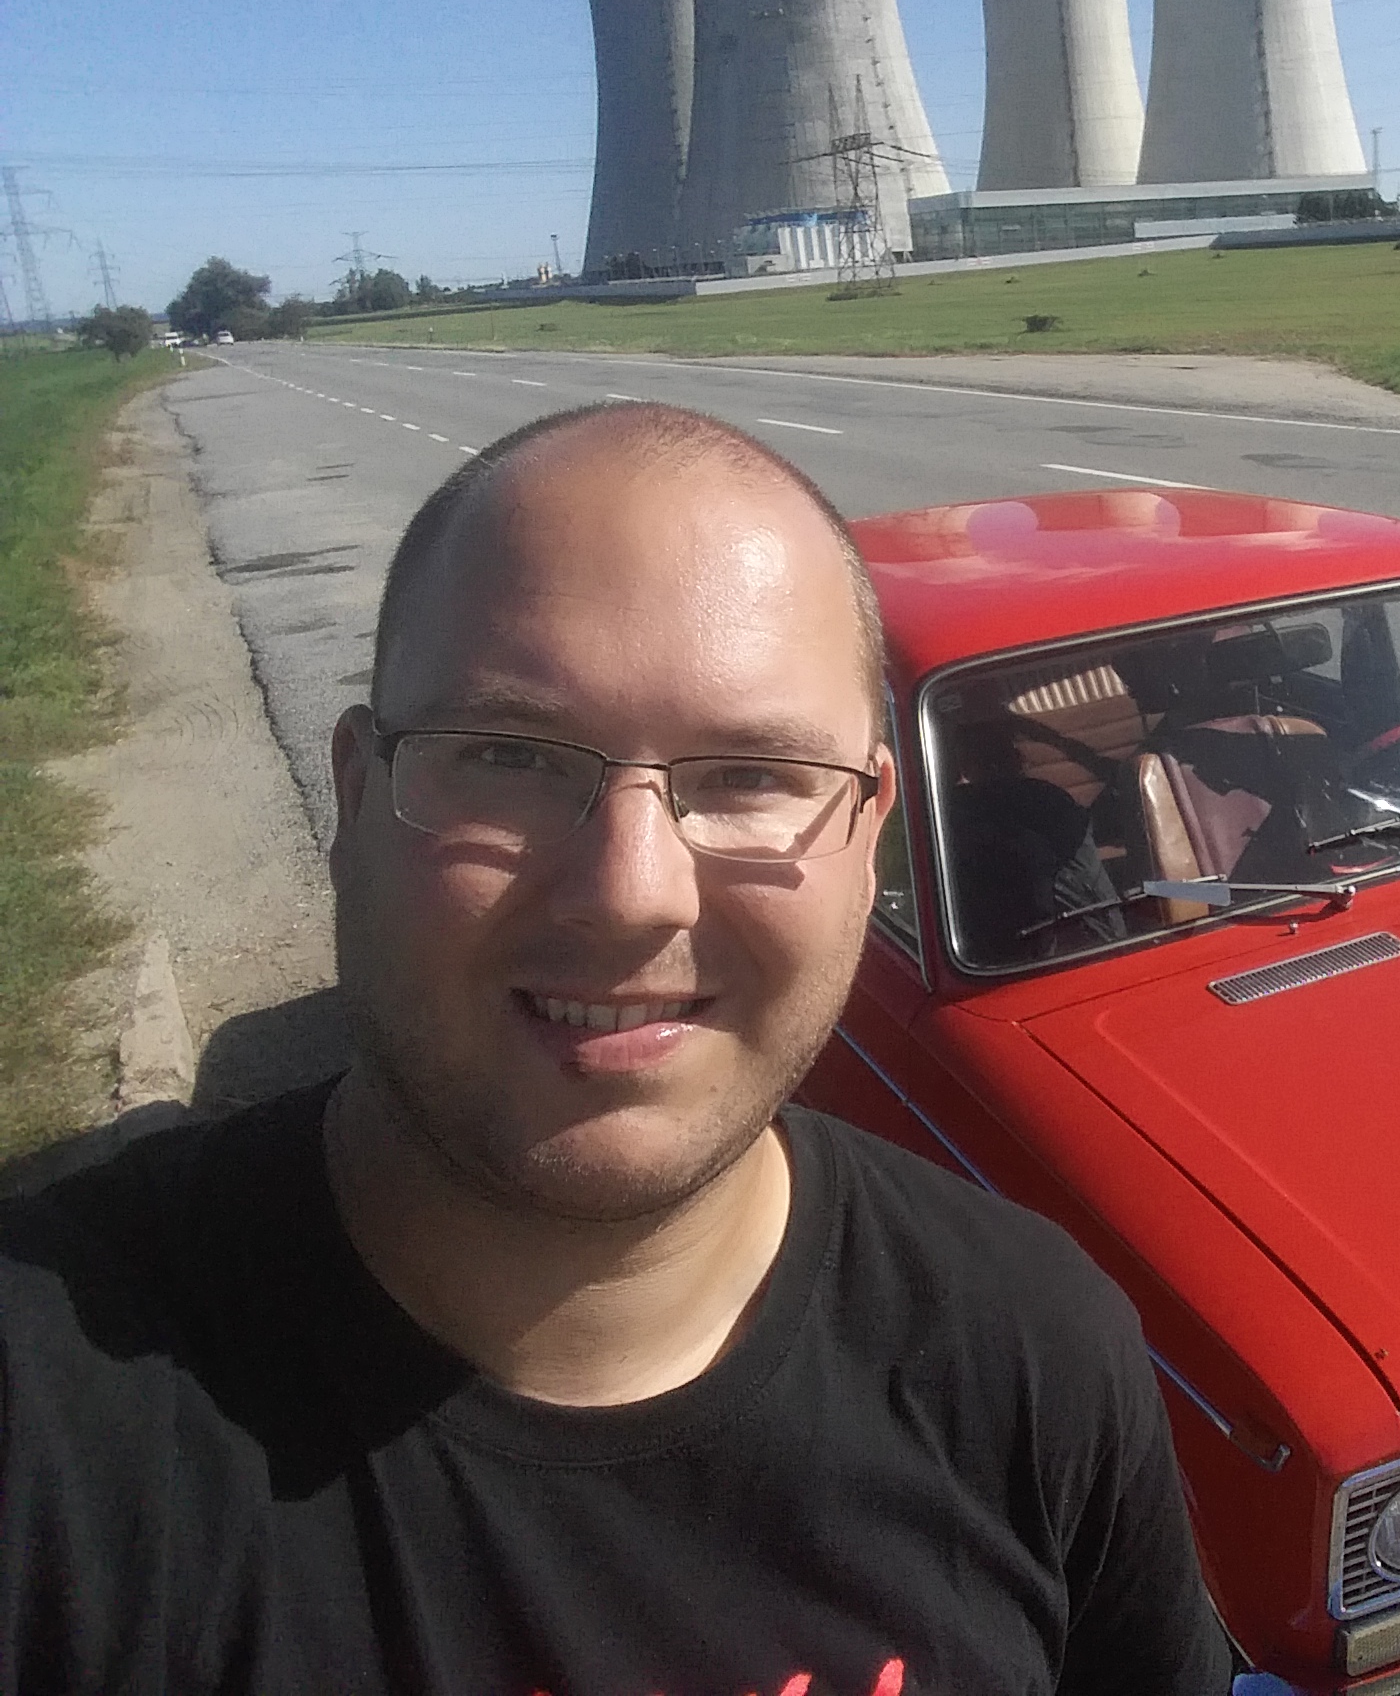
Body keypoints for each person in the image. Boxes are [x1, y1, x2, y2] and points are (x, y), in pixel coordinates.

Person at [0, 404, 1235, 1695]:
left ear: (868, 836)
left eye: (750, 774)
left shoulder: (1034, 1353)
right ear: (356, 796)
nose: (632, 892)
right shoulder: (50, 1417)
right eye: (512, 756)